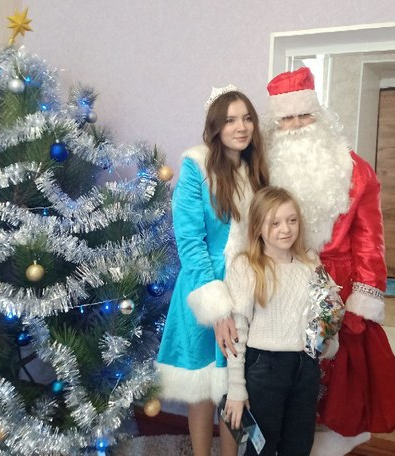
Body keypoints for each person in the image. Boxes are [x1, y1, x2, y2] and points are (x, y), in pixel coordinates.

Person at [263, 67, 395, 456]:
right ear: (275, 125)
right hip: (279, 283)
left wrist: (364, 296)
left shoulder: (354, 169)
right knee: (284, 369)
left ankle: (329, 440)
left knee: (339, 378)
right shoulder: (263, 169)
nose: (297, 126)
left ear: (319, 115)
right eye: (287, 118)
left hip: (339, 285)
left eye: (304, 115)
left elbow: (370, 239)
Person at [155, 85, 269, 456]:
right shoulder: (196, 167)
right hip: (205, 286)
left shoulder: (257, 171)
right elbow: (190, 243)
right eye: (231, 120)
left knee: (235, 385)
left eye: (247, 118)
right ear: (216, 127)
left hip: (246, 287)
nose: (241, 127)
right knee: (204, 386)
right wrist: (217, 309)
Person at [223, 186, 342, 456]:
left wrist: (328, 344)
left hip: (305, 368)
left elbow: (326, 312)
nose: (286, 229)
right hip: (264, 369)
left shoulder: (310, 262)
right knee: (260, 448)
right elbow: (238, 332)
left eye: (292, 220)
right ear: (257, 227)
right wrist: (236, 389)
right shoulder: (246, 267)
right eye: (274, 223)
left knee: (299, 444)